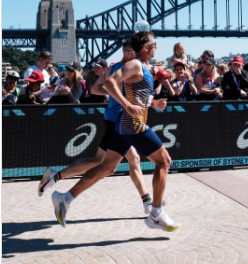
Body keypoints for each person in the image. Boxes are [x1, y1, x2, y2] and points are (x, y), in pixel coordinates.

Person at [51, 30, 180, 231]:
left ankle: (65, 198)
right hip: (132, 125)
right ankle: (155, 213)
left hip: (127, 124)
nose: (156, 46)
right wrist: (127, 105)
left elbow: (138, 95)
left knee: (107, 167)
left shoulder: (144, 67)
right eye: (154, 43)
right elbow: (108, 83)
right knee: (164, 161)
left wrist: (153, 103)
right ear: (145, 47)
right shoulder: (136, 64)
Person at [38, 39, 155, 214]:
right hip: (119, 120)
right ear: (129, 53)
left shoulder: (113, 68)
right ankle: (58, 182)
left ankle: (147, 202)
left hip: (116, 118)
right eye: (135, 53)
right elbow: (100, 89)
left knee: (125, 160)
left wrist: (116, 94)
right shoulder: (126, 68)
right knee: (105, 163)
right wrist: (122, 98)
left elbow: (95, 89)